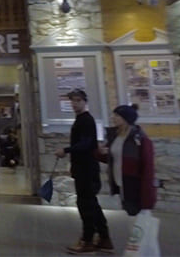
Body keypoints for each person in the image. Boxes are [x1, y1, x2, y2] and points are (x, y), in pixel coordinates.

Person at [55, 89, 112, 254]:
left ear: (85, 102)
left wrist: (66, 150)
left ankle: (87, 241)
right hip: (83, 167)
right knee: (91, 203)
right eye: (72, 101)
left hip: (87, 168)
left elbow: (86, 144)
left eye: (78, 100)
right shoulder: (81, 119)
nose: (74, 104)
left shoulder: (86, 120)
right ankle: (104, 238)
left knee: (85, 204)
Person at [96, 104, 156, 217]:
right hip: (119, 183)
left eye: (116, 115)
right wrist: (99, 152)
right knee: (128, 214)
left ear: (126, 119)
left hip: (133, 185)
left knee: (136, 217)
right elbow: (112, 158)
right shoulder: (115, 136)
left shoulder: (140, 139)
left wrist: (147, 199)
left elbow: (148, 169)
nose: (112, 118)